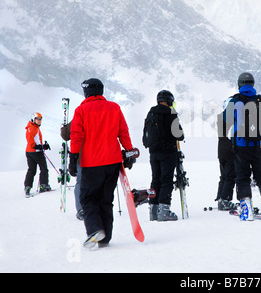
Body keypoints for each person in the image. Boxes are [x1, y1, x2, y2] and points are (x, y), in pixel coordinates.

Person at [69, 78, 134, 248]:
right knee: (106, 199)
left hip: (91, 163)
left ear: (86, 92)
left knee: (88, 198)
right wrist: (129, 153)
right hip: (113, 162)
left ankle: (95, 230)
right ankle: (105, 238)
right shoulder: (114, 108)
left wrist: (73, 158)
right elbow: (123, 132)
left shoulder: (81, 110)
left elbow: (76, 136)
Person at [230, 72, 261, 221]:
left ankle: (246, 209)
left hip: (240, 146)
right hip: (258, 145)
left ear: (239, 84)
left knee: (242, 177)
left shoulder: (235, 100)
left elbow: (225, 119)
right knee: (260, 175)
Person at [143, 90, 184, 221]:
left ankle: (153, 210)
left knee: (155, 179)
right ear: (170, 100)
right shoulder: (170, 114)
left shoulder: (150, 113)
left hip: (153, 153)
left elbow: (145, 136)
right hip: (167, 152)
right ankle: (164, 210)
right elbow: (179, 135)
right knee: (166, 180)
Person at [215, 97, 237, 210]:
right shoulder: (230, 118)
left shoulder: (220, 118)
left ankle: (220, 197)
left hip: (221, 151)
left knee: (224, 175)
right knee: (230, 176)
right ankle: (225, 199)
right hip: (230, 150)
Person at [61, 121, 84, 220]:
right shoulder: (103, 113)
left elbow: (66, 135)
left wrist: (64, 128)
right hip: (100, 156)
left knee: (81, 182)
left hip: (82, 157)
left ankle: (81, 209)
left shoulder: (80, 115)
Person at [24, 112, 51, 197]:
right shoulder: (32, 128)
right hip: (35, 152)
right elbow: (29, 138)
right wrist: (36, 146)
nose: (39, 121)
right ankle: (43, 185)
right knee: (44, 168)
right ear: (33, 119)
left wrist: (43, 146)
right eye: (37, 119)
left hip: (29, 151)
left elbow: (36, 141)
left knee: (31, 169)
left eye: (40, 119)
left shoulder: (33, 127)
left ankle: (27, 187)